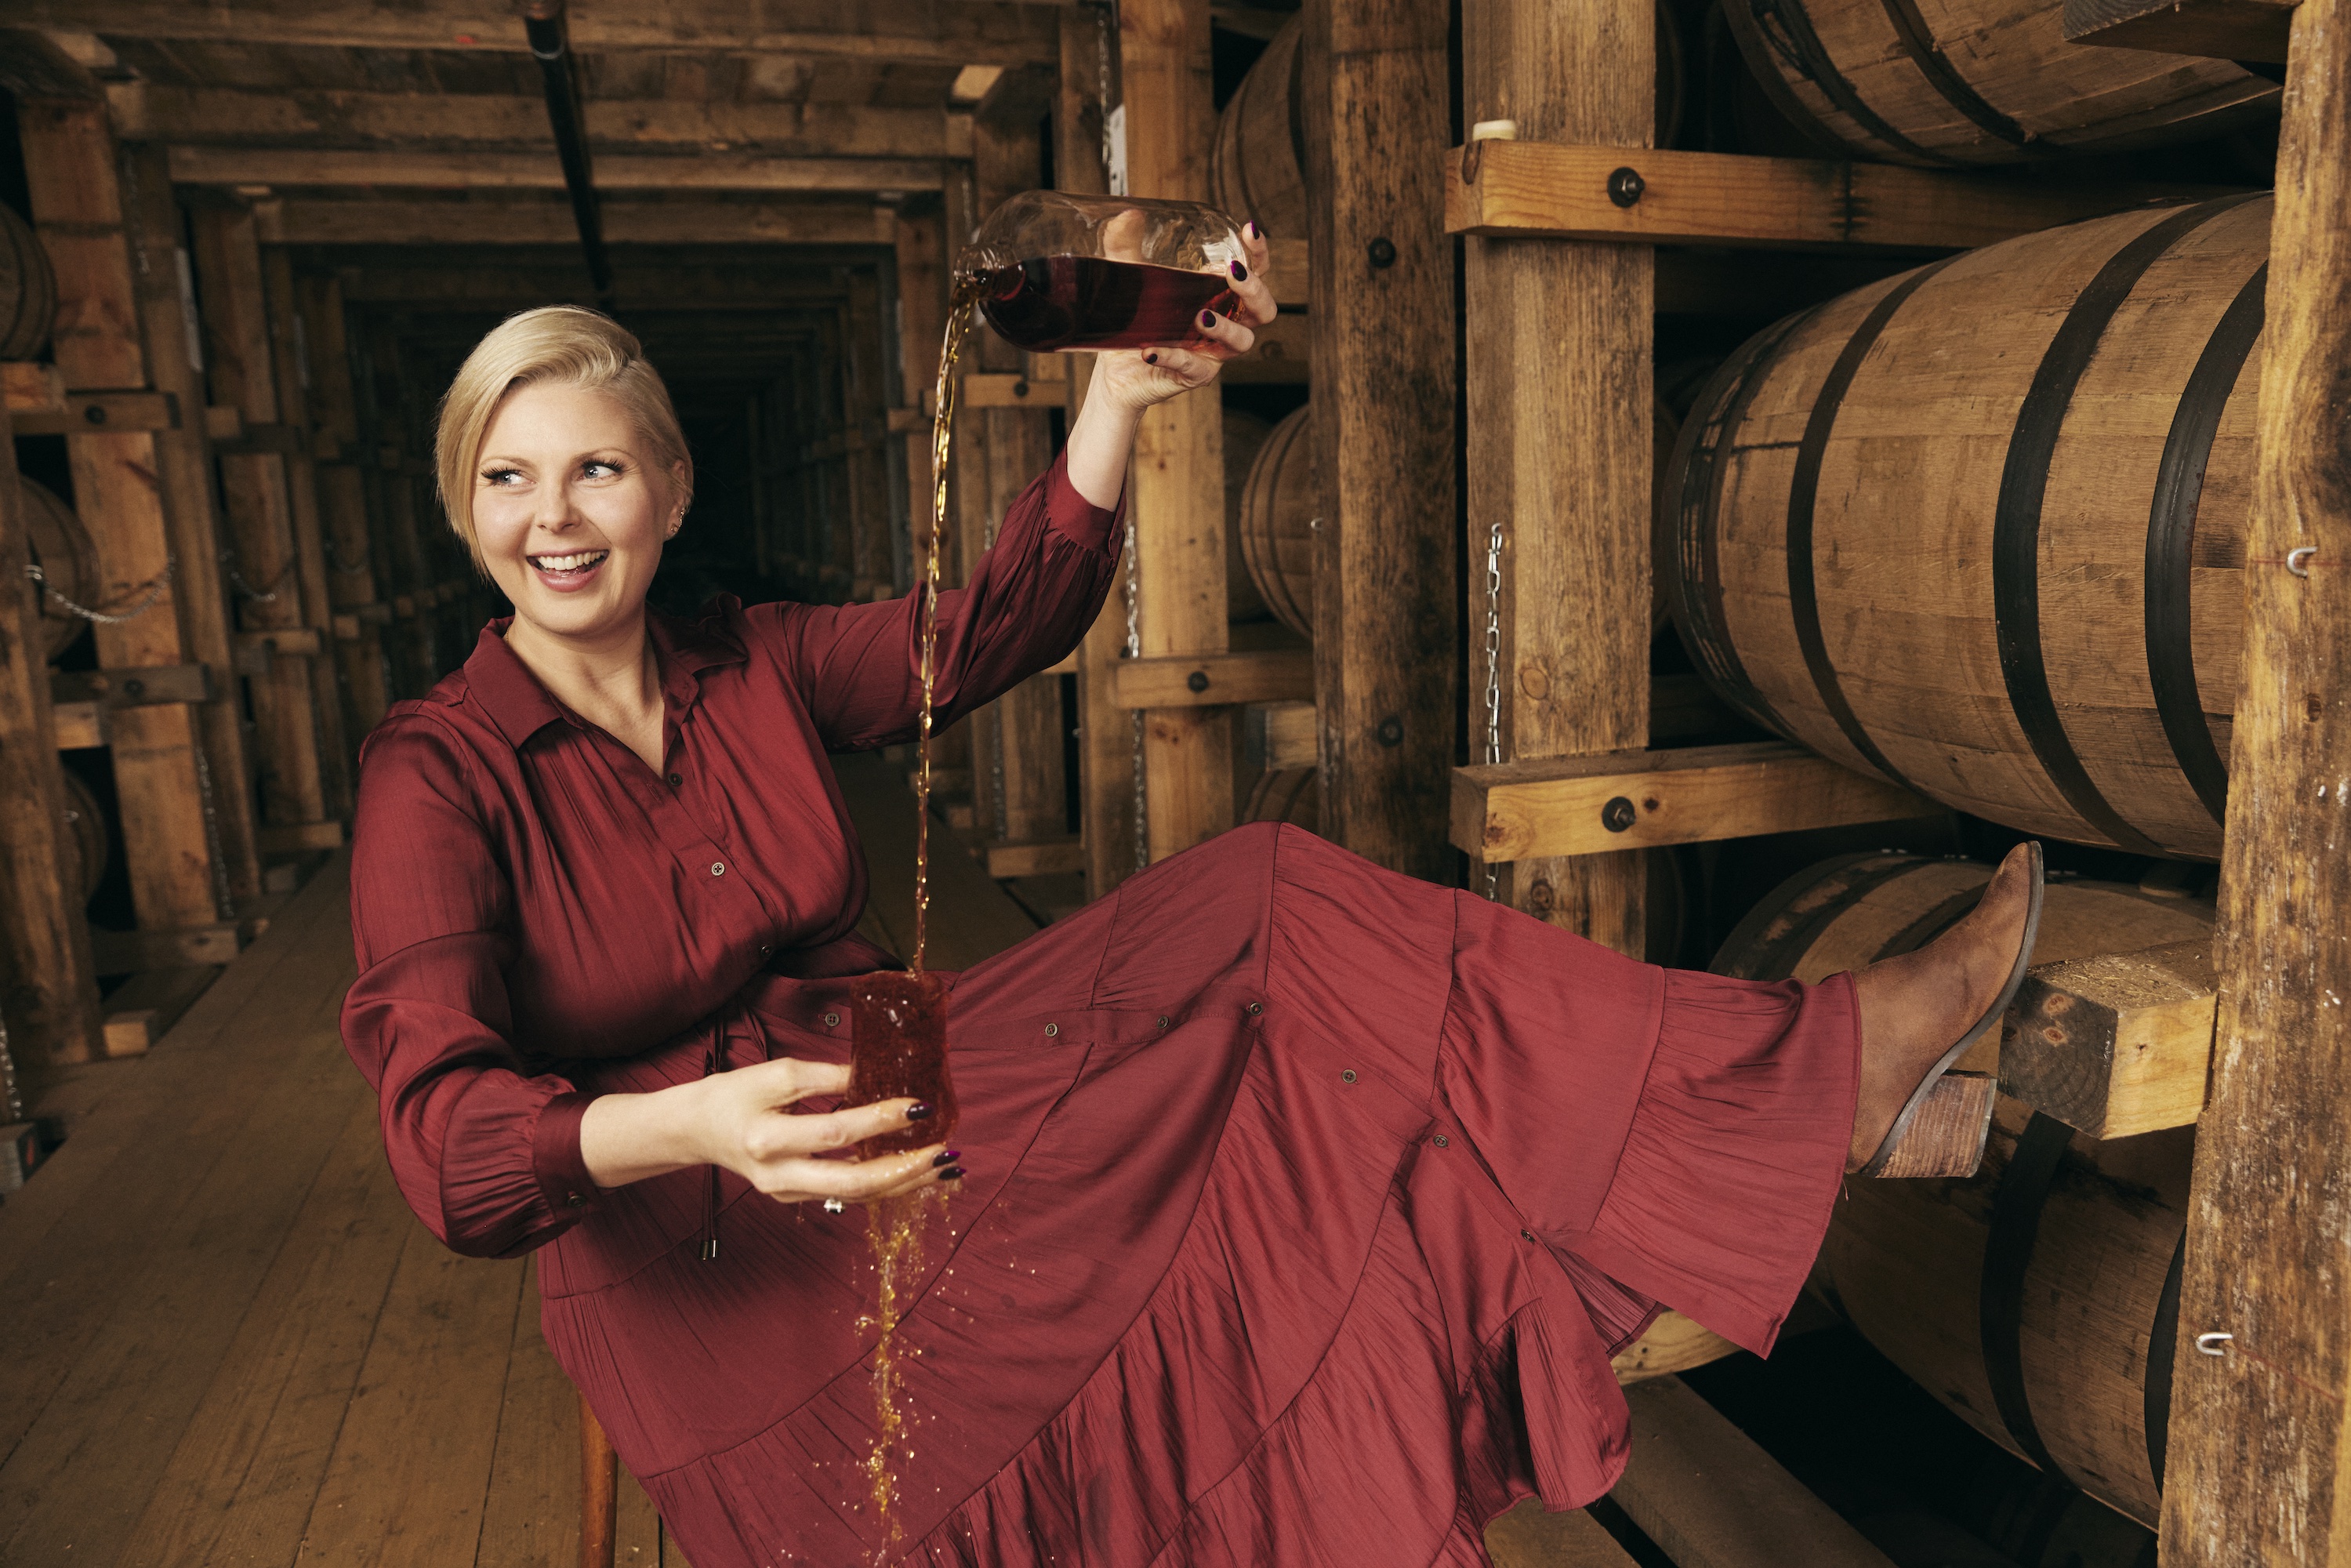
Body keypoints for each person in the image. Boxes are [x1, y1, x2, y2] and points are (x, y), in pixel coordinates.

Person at [342, 227, 2042, 1568]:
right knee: (1273, 1157)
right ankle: (1784, 1100)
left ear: (670, 492)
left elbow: (989, 625)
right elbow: (442, 1146)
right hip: (686, 1230)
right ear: (464, 510)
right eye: (509, 479)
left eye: (594, 471)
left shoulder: (745, 660)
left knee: (1273, 908)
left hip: (886, 1075)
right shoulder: (440, 771)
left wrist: (1116, 404)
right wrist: (692, 1126)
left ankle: (1804, 1074)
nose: (555, 519)